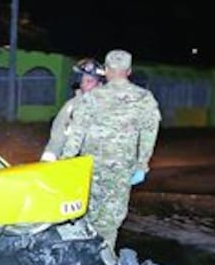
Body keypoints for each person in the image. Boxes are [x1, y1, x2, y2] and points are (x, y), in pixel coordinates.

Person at [58, 49, 161, 252]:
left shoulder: (92, 98)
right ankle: (105, 264)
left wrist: (64, 163)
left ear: (106, 70)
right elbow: (149, 135)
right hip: (121, 172)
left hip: (90, 170)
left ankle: (85, 261)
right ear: (129, 71)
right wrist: (142, 165)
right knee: (109, 225)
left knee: (85, 218)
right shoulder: (143, 99)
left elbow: (76, 135)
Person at [40, 58, 105, 162]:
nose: (84, 85)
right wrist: (46, 162)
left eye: (89, 81)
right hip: (77, 165)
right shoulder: (71, 106)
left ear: (100, 84)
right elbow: (57, 138)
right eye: (82, 81)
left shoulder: (111, 107)